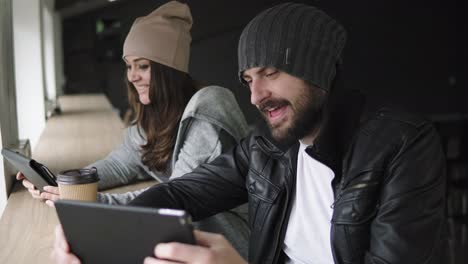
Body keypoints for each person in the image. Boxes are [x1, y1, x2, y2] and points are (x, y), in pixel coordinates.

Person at [53, 2, 447, 264]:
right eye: (248, 79)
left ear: (319, 70)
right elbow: (181, 191)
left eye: (271, 73)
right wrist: (93, 232)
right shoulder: (266, 148)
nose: (256, 96)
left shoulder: (402, 145)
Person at [17, 0, 250, 258]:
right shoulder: (155, 114)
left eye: (143, 66)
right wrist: (62, 182)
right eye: (129, 66)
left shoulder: (209, 106)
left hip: (231, 245)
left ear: (168, 69)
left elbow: (178, 196)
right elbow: (120, 164)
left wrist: (93, 203)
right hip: (184, 238)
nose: (132, 76)